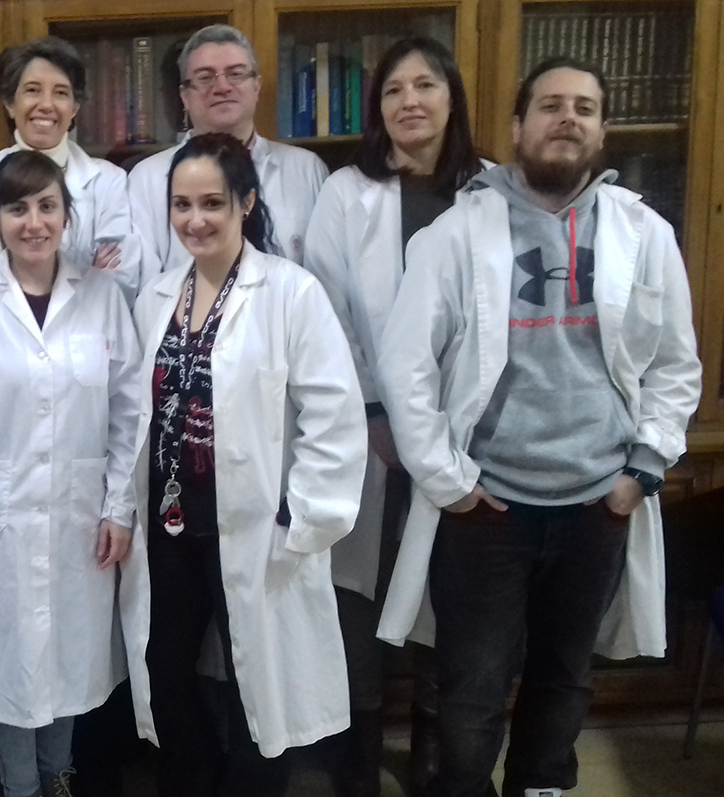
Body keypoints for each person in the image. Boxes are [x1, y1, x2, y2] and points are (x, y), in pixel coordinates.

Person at [375, 58, 702, 797]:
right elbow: (405, 365)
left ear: (601, 131)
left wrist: (641, 470)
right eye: (551, 105)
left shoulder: (643, 233)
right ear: (517, 126)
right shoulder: (459, 232)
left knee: (563, 678)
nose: (567, 119)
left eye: (584, 108)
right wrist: (450, 482)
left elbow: (675, 364)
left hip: (596, 502)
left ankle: (540, 786)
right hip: (486, 508)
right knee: (471, 687)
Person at [120, 133, 367, 797]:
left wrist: (306, 513)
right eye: (181, 204)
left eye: (211, 203)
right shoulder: (156, 297)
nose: (194, 219)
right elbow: (135, 415)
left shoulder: (289, 292)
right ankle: (191, 779)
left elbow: (334, 413)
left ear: (245, 202)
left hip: (255, 525)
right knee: (164, 668)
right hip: (169, 523)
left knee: (254, 675)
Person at [300, 36, 484, 797]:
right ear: (377, 110)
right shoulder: (348, 193)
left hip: (464, 434)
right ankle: (358, 769)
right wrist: (376, 413)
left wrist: (448, 429)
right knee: (362, 604)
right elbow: (327, 310)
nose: (410, 101)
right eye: (393, 90)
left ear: (451, 98)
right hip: (371, 438)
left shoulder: (490, 192)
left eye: (425, 85)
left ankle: (437, 759)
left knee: (455, 602)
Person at [0, 150, 140, 797]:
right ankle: (19, 787)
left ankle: (58, 777)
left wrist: (119, 508)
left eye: (47, 206)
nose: (33, 221)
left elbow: (128, 412)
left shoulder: (101, 296)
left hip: (81, 515)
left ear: (67, 216)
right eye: (17, 208)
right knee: (9, 666)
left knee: (67, 658)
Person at [128, 23, 328, 286]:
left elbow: (323, 283)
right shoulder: (148, 178)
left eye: (236, 74)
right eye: (205, 77)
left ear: (256, 87)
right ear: (184, 96)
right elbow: (147, 289)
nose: (222, 87)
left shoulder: (307, 170)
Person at [0, 36, 140, 302]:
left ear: (74, 107)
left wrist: (5, 280)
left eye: (61, 93)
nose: (46, 105)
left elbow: (119, 285)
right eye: (32, 90)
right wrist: (88, 278)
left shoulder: (109, 181)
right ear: (10, 103)